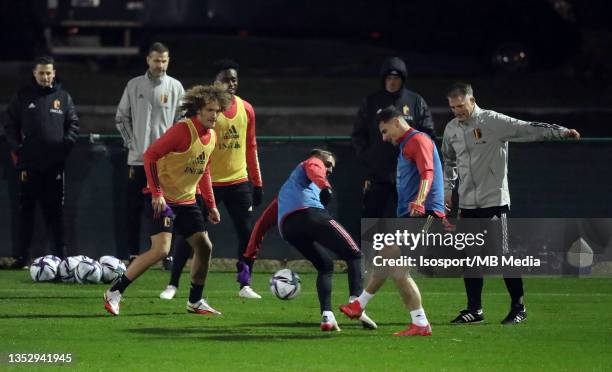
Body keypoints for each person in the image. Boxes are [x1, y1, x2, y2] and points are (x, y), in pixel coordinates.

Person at [441, 82, 581, 325]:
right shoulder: (451, 128)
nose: (457, 111)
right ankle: (475, 310)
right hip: (467, 205)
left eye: (461, 106)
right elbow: (449, 161)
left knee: (503, 256)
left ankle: (519, 307)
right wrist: (447, 189)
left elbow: (526, 129)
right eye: (453, 107)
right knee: (470, 257)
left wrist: (561, 131)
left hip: (494, 201)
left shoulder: (492, 122)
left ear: (472, 101)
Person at [103, 85, 230, 316]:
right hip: (165, 201)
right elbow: (151, 154)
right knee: (161, 250)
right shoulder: (183, 130)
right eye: (210, 110)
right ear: (197, 111)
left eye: (218, 111)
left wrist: (210, 204)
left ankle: (195, 301)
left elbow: (205, 170)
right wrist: (157, 193)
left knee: (204, 246)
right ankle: (114, 292)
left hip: (187, 201)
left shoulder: (211, 135)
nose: (215, 115)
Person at [160, 59, 263, 300]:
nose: (231, 83)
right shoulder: (206, 111)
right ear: (215, 83)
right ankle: (173, 284)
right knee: (192, 235)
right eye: (226, 79)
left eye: (234, 79)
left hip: (238, 181)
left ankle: (244, 284)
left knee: (247, 234)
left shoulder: (246, 109)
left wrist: (257, 183)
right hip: (207, 184)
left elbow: (251, 146)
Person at [340, 106, 442, 336]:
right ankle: (359, 305)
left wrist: (421, 200)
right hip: (414, 214)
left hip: (423, 215)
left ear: (397, 121)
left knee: (398, 270)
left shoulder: (418, 140)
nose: (385, 138)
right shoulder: (407, 144)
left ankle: (421, 323)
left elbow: (428, 172)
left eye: (386, 131)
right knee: (385, 258)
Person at [4, 56, 79, 268]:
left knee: (56, 212)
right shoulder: (23, 96)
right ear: (35, 74)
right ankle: (21, 258)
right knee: (25, 212)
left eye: (48, 73)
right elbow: (9, 124)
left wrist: (64, 146)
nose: (45, 77)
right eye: (41, 73)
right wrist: (18, 148)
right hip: (28, 165)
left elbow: (73, 125)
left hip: (54, 166)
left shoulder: (63, 97)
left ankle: (62, 259)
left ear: (54, 73)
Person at [115, 42, 185, 266]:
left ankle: (168, 254)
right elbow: (121, 117)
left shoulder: (176, 87)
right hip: (137, 160)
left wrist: (173, 151)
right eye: (156, 60)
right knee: (133, 209)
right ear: (148, 60)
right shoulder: (134, 85)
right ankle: (134, 253)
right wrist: (132, 143)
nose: (160, 65)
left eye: (164, 60)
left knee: (167, 208)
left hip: (165, 163)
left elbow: (181, 123)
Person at [351, 57, 434, 219]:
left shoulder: (416, 101)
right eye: (388, 78)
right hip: (378, 175)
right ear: (383, 79)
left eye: (396, 78)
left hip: (408, 175)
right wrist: (371, 159)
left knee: (409, 221)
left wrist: (418, 161)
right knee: (371, 220)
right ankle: (369, 246)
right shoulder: (371, 101)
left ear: (402, 80)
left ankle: (409, 245)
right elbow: (358, 135)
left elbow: (428, 134)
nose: (392, 82)